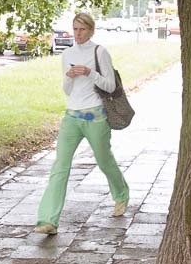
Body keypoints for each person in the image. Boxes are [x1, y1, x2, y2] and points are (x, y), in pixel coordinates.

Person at [35, 12, 129, 235]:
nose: (78, 33)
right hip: (72, 116)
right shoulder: (66, 54)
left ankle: (121, 194)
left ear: (91, 30)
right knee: (60, 167)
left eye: (82, 29)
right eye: (75, 29)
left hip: (96, 116)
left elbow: (109, 86)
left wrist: (90, 72)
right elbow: (67, 90)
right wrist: (70, 76)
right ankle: (47, 220)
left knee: (104, 160)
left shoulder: (100, 52)